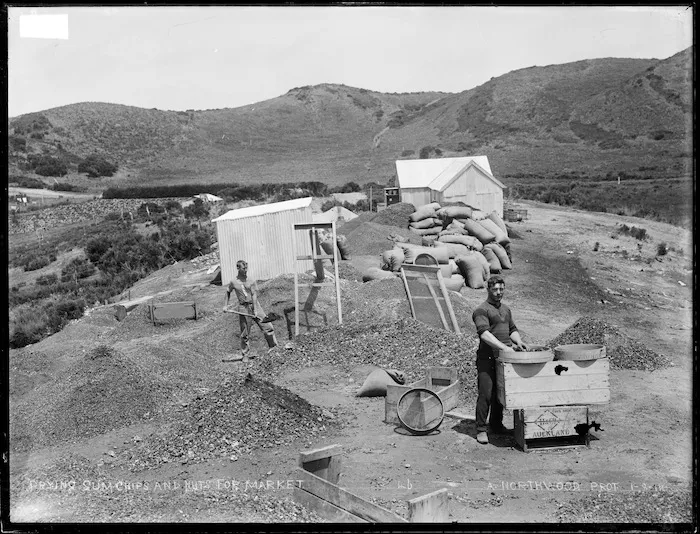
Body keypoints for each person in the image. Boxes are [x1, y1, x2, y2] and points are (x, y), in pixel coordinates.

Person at [472, 274, 529, 444]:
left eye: (501, 289)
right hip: (487, 358)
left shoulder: (506, 310)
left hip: (504, 359)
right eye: (495, 289)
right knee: (486, 393)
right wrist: (504, 347)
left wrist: (518, 341)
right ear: (488, 289)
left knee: (500, 393)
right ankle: (481, 429)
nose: (498, 292)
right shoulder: (481, 310)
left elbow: (512, 329)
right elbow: (484, 334)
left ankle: (496, 425)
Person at [223, 260, 278, 361]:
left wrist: (256, 310)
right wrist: (225, 306)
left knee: (267, 326)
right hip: (243, 308)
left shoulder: (251, 280)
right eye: (244, 269)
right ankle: (245, 355)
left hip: (255, 305)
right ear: (238, 268)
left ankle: (274, 348)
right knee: (245, 333)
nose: (246, 270)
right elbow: (227, 291)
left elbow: (254, 294)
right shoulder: (233, 282)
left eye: (246, 268)